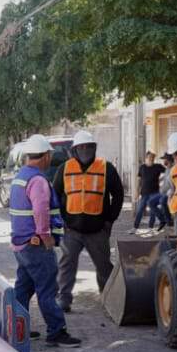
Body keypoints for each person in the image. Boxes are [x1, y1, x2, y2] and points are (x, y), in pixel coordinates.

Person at [8, 134, 80, 347]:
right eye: (50, 154)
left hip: (21, 244)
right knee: (48, 289)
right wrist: (46, 237)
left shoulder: (20, 176)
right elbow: (40, 210)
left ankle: (17, 329)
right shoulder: (38, 180)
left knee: (23, 288)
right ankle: (56, 332)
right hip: (36, 245)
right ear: (46, 156)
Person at [54, 129, 123, 311]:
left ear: (94, 148)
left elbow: (118, 194)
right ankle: (64, 299)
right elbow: (55, 195)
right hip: (72, 231)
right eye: (81, 147)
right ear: (74, 150)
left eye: (88, 147)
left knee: (104, 267)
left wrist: (110, 221)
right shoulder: (65, 169)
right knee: (67, 264)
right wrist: (62, 220)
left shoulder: (106, 168)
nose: (85, 150)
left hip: (98, 230)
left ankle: (108, 298)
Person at [132, 149, 167, 233]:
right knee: (140, 209)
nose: (151, 159)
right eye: (150, 157)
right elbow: (139, 180)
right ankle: (135, 227)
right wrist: (136, 191)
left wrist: (161, 179)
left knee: (152, 211)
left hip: (154, 193)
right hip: (144, 193)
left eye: (153, 158)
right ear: (146, 158)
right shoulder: (142, 167)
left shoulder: (157, 166)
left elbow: (168, 172)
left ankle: (150, 227)